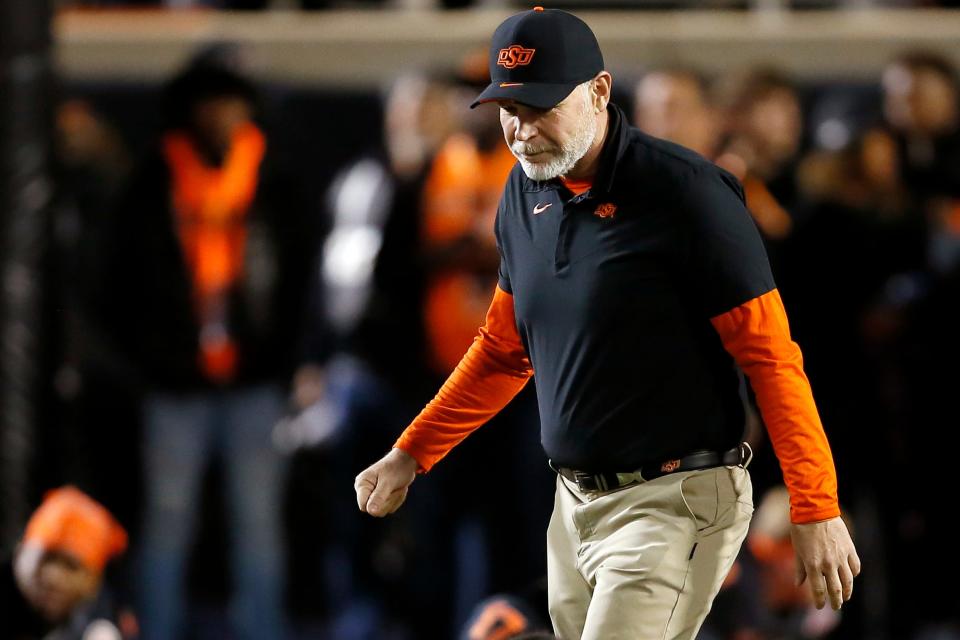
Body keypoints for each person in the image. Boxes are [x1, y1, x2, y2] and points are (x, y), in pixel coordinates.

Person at [354, 8, 860, 639]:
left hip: (676, 501)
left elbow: (771, 358)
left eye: (541, 106)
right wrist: (411, 453)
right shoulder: (523, 192)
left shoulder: (688, 194)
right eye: (508, 108)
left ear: (599, 91)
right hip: (572, 504)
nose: (521, 129)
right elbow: (504, 352)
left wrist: (815, 504)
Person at [100, 51, 315, 640]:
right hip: (175, 383)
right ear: (189, 107)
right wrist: (144, 359)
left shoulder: (274, 176)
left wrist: (297, 360)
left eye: (231, 99)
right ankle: (157, 630)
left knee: (259, 525)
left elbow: (301, 278)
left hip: (255, 381)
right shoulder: (154, 179)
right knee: (167, 523)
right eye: (209, 99)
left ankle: (262, 632)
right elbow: (119, 280)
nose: (220, 112)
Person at [2, 486, 136, 640]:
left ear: (94, 580)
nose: (53, 576)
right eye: (46, 558)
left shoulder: (101, 628)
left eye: (71, 566)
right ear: (20, 555)